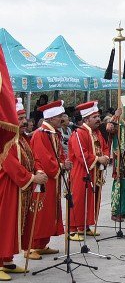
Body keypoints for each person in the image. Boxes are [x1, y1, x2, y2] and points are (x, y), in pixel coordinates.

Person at [1, 100, 48, 280]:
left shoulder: (22, 139)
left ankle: (7, 260)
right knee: (4, 225)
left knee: (14, 225)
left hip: (20, 189)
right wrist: (31, 178)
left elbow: (33, 158)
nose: (23, 122)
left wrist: (39, 170)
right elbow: (11, 165)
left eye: (23, 118)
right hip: (7, 188)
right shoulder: (6, 141)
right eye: (19, 118)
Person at [27, 98, 71, 258]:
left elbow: (56, 155)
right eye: (60, 116)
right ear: (52, 118)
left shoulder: (53, 133)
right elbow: (43, 159)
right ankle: (31, 246)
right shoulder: (40, 134)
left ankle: (42, 244)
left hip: (54, 179)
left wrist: (63, 163)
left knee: (50, 212)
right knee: (40, 211)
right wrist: (60, 165)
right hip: (44, 178)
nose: (63, 119)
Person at [67, 100, 110, 240]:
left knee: (92, 199)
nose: (99, 119)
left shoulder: (96, 133)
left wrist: (106, 156)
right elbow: (81, 154)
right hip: (81, 171)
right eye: (95, 117)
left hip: (95, 171)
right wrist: (98, 159)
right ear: (86, 119)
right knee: (79, 199)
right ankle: (72, 229)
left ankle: (85, 226)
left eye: (98, 116)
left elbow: (105, 147)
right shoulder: (79, 133)